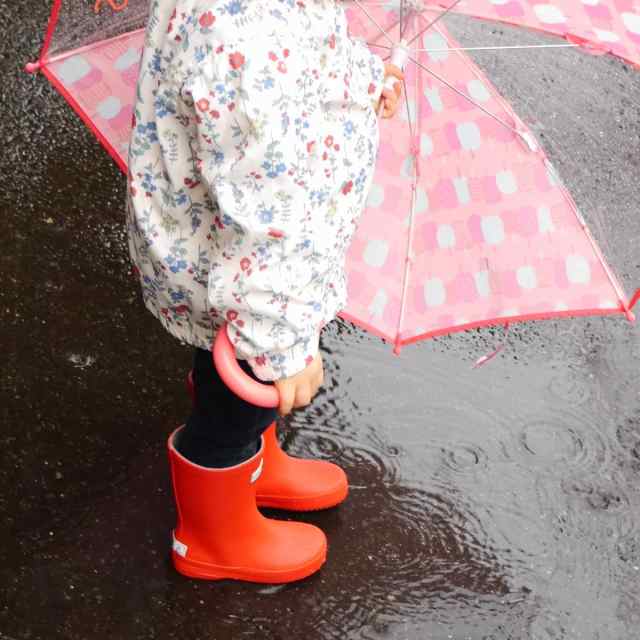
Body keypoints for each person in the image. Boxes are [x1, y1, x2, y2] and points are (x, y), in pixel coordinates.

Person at [126, 0, 403, 583]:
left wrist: (364, 78)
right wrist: (278, 342)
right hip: (245, 276)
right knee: (239, 395)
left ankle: (254, 465)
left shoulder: (279, 14)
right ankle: (211, 534)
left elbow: (314, 62)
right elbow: (263, 206)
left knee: (244, 384)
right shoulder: (244, 36)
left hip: (255, 269)